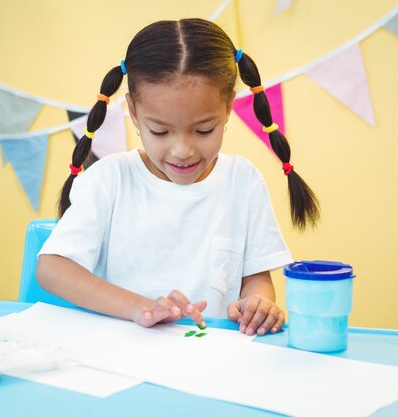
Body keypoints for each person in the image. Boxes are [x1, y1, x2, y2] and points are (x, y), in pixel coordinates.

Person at [36, 18, 320, 336]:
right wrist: (136, 307)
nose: (182, 150)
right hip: (122, 356)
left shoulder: (243, 180)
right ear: (132, 111)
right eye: (160, 131)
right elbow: (52, 269)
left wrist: (257, 306)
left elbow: (255, 279)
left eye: (203, 130)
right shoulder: (110, 179)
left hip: (212, 360)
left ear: (228, 108)